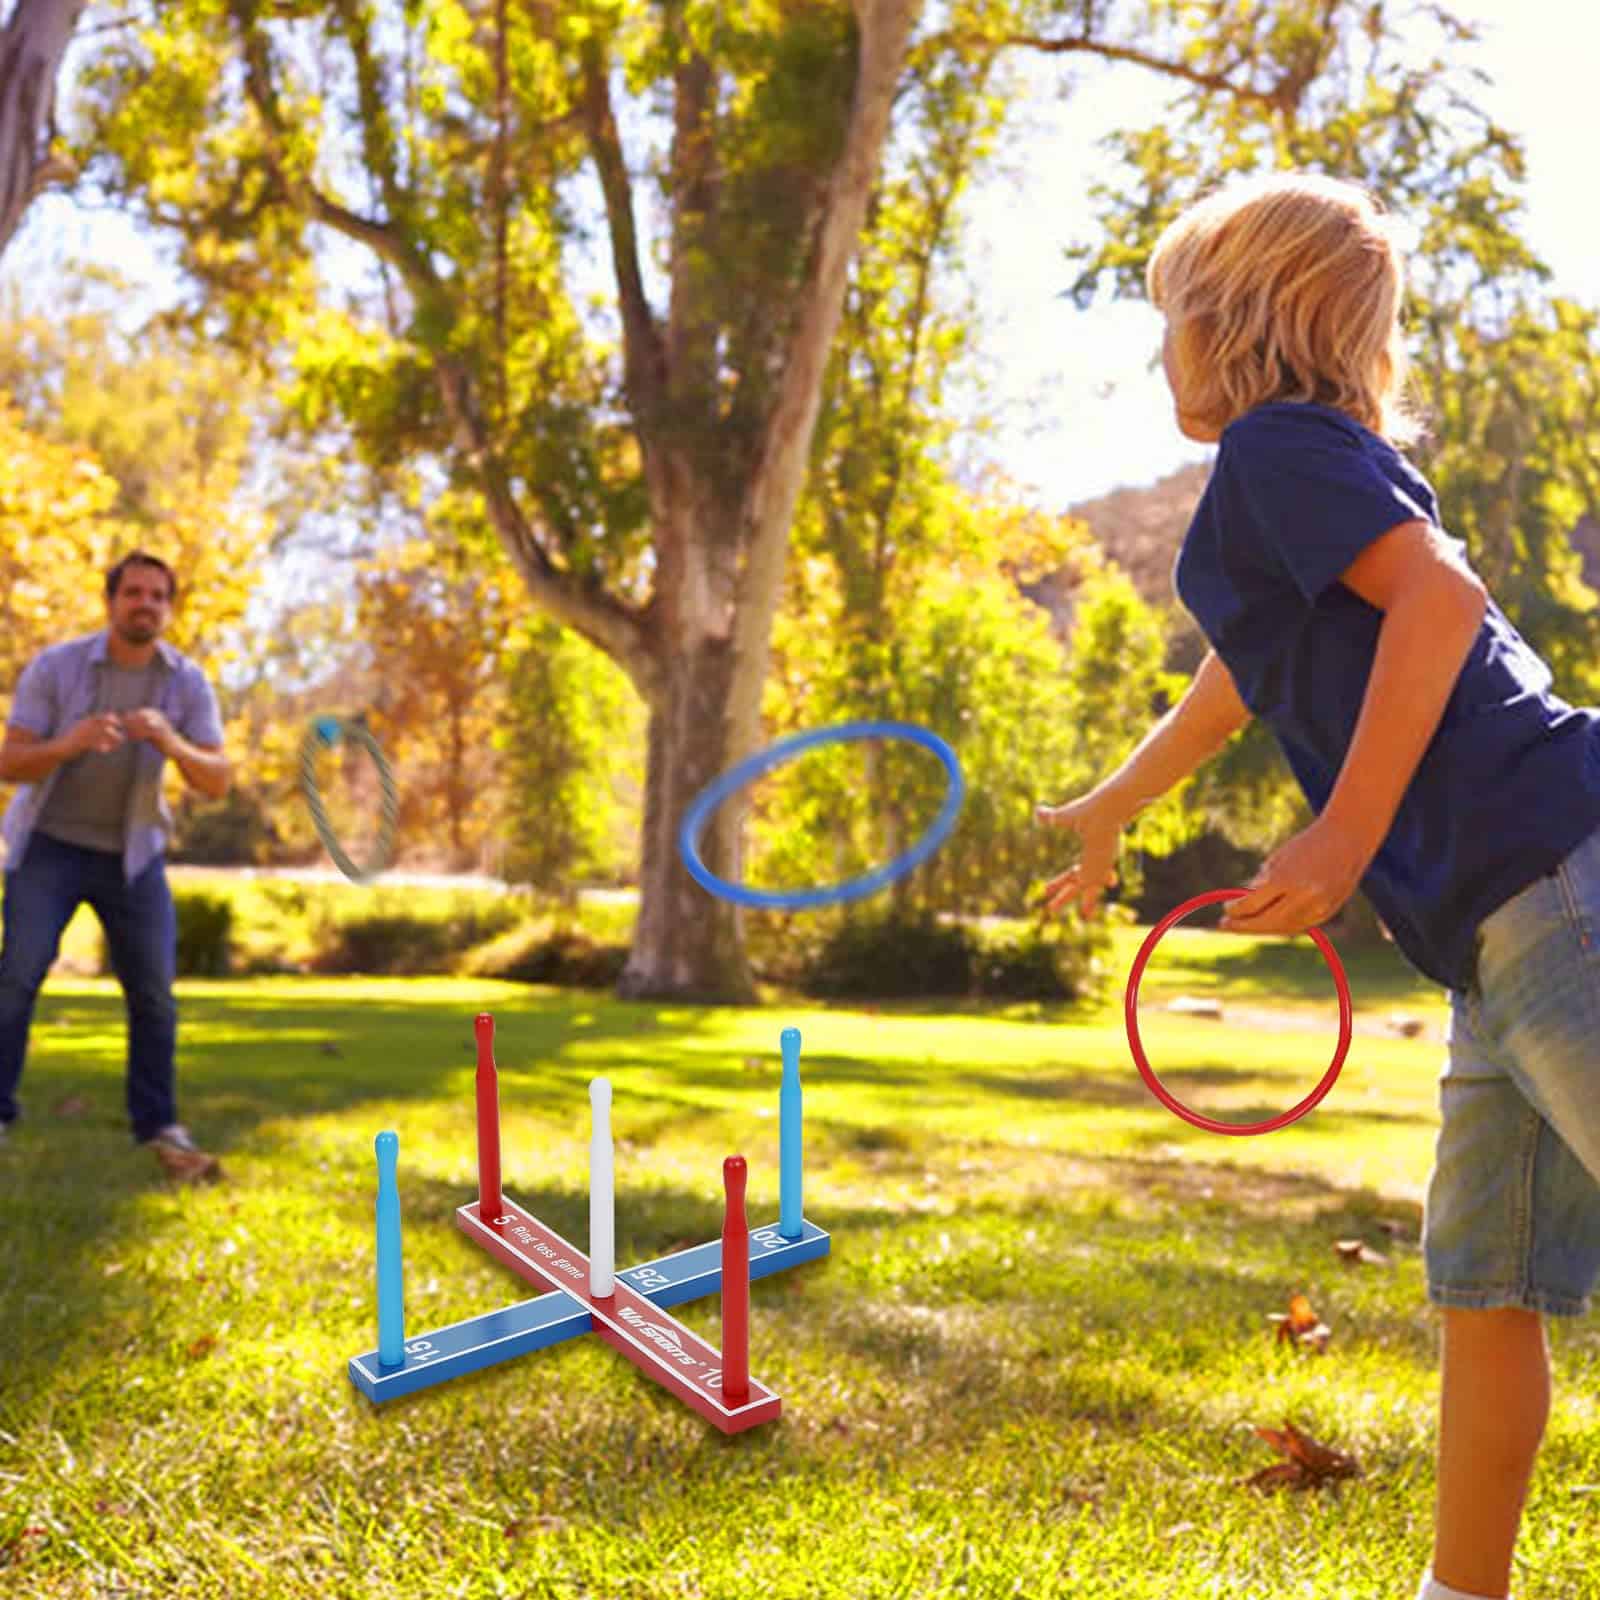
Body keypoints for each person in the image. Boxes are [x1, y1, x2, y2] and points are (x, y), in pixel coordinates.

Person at [1037, 172, 1600, 1600]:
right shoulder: (1300, 483)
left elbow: (1444, 601)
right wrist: (1115, 805)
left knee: (1492, 1286)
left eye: (1169, 319)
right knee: (1486, 1286)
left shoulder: (1278, 451)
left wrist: (1343, 839)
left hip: (1553, 876)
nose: (1159, 353)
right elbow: (1240, 683)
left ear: (1229, 324)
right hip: (1494, 930)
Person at [0, 551, 232, 1182]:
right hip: (48, 846)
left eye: (158, 595)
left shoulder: (186, 683)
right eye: (133, 593)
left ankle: (157, 1123)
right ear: (111, 602)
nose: (145, 604)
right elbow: (10, 761)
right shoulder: (58, 666)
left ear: (169, 608)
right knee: (17, 977)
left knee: (154, 992)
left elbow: (216, 780)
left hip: (134, 856)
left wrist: (170, 741)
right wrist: (68, 743)